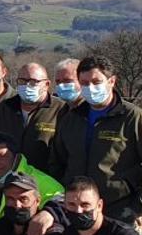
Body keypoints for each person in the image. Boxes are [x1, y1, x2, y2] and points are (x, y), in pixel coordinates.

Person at [49, 55, 142, 225]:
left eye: (96, 82)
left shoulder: (133, 117)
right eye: (84, 83)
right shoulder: (71, 118)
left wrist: (138, 207)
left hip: (120, 209)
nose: (90, 88)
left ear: (112, 81)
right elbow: (58, 161)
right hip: (76, 209)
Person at [0, 62, 62, 175]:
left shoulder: (60, 110)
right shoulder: (3, 108)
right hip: (9, 181)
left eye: (34, 82)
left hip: (47, 182)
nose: (27, 85)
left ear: (47, 84)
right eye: (22, 81)